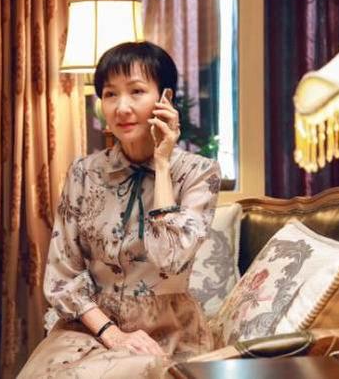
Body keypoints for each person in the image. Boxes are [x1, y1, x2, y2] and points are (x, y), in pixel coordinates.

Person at [18, 41, 221, 378]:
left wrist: (162, 163)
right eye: (110, 94)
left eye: (136, 91)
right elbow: (61, 276)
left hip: (167, 332)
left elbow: (170, 258)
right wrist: (112, 334)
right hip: (91, 328)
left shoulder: (199, 173)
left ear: (165, 98)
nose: (122, 107)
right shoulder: (84, 173)